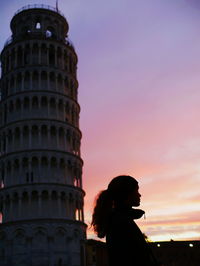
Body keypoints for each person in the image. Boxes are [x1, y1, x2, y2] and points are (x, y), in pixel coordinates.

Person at [92, 175, 159, 266]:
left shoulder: (121, 219)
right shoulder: (121, 222)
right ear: (127, 194)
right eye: (136, 190)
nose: (139, 194)